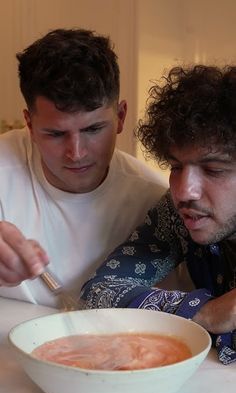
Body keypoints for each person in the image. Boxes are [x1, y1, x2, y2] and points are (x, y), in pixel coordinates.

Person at [80, 64, 236, 365]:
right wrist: (207, 312)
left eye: (213, 170)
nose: (184, 190)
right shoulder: (179, 212)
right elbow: (98, 294)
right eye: (175, 167)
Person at [0, 28, 167, 307]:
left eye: (93, 129)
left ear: (121, 117)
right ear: (29, 124)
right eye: (55, 134)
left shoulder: (154, 202)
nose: (76, 153)